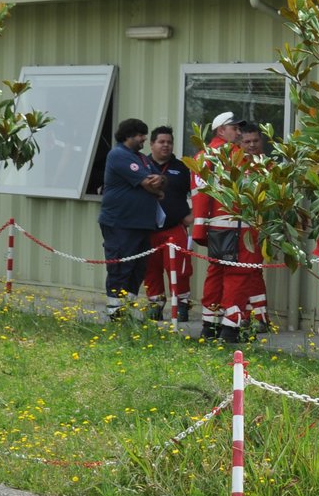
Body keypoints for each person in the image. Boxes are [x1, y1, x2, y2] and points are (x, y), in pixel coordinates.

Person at [98, 118, 164, 321]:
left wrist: (161, 181)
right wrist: (156, 189)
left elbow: (159, 180)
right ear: (129, 136)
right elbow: (147, 183)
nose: (144, 138)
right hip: (120, 223)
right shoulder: (119, 155)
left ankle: (127, 309)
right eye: (140, 135)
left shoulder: (142, 158)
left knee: (138, 268)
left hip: (141, 224)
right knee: (120, 266)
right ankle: (115, 313)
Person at [191, 111, 242, 341]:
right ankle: (230, 329)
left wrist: (200, 229)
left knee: (215, 273)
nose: (239, 132)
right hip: (235, 226)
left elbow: (199, 197)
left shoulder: (201, 156)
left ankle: (209, 326)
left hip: (213, 227)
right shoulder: (233, 154)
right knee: (236, 274)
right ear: (222, 130)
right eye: (235, 128)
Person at [142, 126, 193, 322]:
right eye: (161, 142)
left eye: (169, 142)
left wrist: (193, 214)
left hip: (175, 227)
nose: (166, 145)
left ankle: (182, 305)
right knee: (150, 269)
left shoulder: (182, 168)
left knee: (179, 269)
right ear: (152, 144)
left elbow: (198, 193)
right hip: (148, 228)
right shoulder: (141, 165)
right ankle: (155, 304)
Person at [235, 122, 271, 335]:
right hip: (236, 228)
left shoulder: (269, 166)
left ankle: (258, 317)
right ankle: (245, 315)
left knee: (253, 272)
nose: (251, 145)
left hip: (259, 227)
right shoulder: (234, 166)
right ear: (240, 143)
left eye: (255, 141)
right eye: (246, 141)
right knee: (239, 273)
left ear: (262, 141)